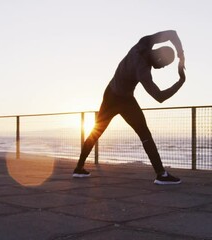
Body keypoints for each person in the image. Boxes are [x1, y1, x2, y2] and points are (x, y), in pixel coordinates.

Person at [73, 30, 186, 185]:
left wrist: (181, 54)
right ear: (159, 58)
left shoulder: (144, 43)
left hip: (111, 94)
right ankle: (161, 175)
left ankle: (78, 168)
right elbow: (159, 97)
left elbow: (172, 34)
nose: (163, 68)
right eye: (164, 65)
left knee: (95, 132)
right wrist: (181, 81)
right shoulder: (143, 70)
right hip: (122, 100)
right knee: (145, 134)